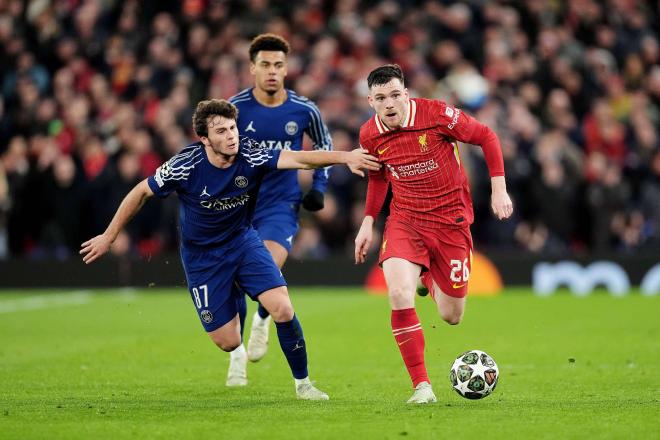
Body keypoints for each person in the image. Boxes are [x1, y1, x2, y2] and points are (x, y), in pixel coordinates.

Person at [80, 98, 380, 400]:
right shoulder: (185, 165)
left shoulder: (251, 154)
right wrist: (109, 236)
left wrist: (345, 157)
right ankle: (237, 341)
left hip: (243, 242)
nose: (231, 136)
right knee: (227, 340)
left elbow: (300, 158)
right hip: (203, 258)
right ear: (204, 139)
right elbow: (141, 191)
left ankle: (304, 384)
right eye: (221, 131)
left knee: (283, 307)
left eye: (233, 128)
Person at [353, 65, 513, 404]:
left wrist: (499, 189)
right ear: (370, 101)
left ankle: (427, 276)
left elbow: (486, 136)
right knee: (397, 293)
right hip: (406, 221)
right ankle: (422, 387)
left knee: (451, 316)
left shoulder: (437, 114)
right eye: (381, 98)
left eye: (395, 95)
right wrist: (368, 221)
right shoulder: (369, 135)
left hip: (450, 222)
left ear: (405, 94)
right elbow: (379, 178)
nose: (389, 103)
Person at [228, 34, 333, 370]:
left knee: (268, 267)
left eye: (278, 65)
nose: (272, 71)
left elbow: (324, 144)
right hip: (239, 203)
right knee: (236, 280)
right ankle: (236, 353)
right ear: (252, 69)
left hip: (281, 204)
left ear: (286, 69)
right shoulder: (236, 108)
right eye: (265, 65)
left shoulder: (304, 110)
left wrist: (319, 186)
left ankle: (262, 318)